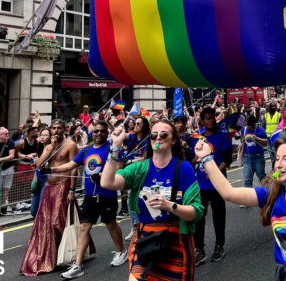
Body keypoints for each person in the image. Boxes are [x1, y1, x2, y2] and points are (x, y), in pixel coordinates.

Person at [194, 133, 286, 281]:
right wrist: (206, 158)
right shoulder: (272, 194)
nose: (279, 164)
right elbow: (228, 193)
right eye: (277, 159)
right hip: (285, 274)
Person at [101, 119, 203, 281]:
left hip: (176, 242)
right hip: (145, 241)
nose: (158, 138)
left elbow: (196, 213)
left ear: (174, 140)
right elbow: (107, 182)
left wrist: (170, 206)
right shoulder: (139, 168)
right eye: (154, 135)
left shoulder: (184, 168)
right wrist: (115, 148)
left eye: (164, 134)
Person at [46, 120, 126, 278]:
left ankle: (121, 251)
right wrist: (51, 169)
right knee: (84, 227)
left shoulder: (113, 149)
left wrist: (102, 175)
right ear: (92, 133)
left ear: (107, 133)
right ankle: (78, 265)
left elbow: (119, 171)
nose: (99, 134)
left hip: (107, 195)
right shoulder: (87, 150)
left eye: (103, 131)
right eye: (96, 131)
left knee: (110, 224)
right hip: (90, 195)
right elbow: (70, 165)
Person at [20, 119, 79, 276]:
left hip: (63, 185)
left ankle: (65, 255)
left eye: (60, 128)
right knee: (44, 223)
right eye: (54, 128)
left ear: (65, 129)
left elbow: (74, 169)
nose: (57, 131)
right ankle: (49, 257)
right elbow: (38, 165)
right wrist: (50, 148)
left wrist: (72, 190)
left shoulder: (71, 145)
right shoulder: (49, 147)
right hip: (48, 186)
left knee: (57, 222)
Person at [191, 106, 232, 265]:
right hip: (200, 185)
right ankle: (199, 249)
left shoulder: (222, 137)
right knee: (199, 217)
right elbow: (192, 158)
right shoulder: (197, 136)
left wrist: (215, 172)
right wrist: (194, 159)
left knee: (218, 216)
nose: (211, 121)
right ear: (201, 120)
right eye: (207, 118)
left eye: (212, 118)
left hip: (218, 185)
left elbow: (227, 160)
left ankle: (219, 245)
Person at [241, 115, 267, 189]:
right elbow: (242, 139)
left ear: (254, 124)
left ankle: (267, 195)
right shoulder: (245, 129)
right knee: (247, 180)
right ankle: (248, 198)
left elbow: (266, 142)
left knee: (262, 178)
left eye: (251, 126)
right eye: (248, 125)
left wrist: (257, 138)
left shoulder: (261, 130)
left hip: (258, 157)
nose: (249, 128)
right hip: (247, 157)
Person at [30, 128, 51, 217]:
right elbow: (33, 165)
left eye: (46, 135)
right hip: (38, 179)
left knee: (42, 208)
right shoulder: (39, 148)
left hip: (47, 179)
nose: (43, 137)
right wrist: (33, 160)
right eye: (41, 135)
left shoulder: (51, 148)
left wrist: (41, 162)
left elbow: (53, 164)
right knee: (34, 211)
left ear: (50, 137)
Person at [264, 102, 282, 170]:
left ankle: (274, 168)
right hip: (268, 138)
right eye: (272, 106)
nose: (274, 108)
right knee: (271, 155)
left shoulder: (279, 115)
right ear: (270, 107)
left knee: (275, 154)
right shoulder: (266, 115)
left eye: (275, 106)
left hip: (276, 138)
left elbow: (281, 126)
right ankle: (274, 168)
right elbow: (263, 126)